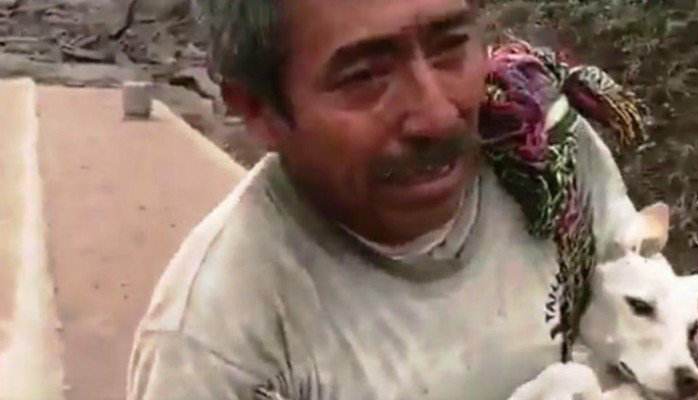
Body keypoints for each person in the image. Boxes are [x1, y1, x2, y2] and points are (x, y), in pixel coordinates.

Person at [126, 0, 644, 399]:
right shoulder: (216, 348)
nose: (440, 115)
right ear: (258, 109)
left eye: (449, 46)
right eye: (365, 76)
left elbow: (646, 324)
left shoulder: (546, 155)